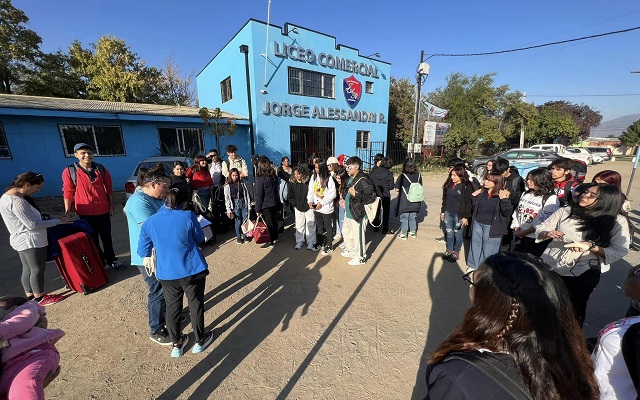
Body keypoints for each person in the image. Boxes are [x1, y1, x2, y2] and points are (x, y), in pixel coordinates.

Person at [426, 252, 600, 400]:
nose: (470, 289)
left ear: (491, 304)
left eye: (473, 283)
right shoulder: (576, 363)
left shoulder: (458, 375)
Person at [535, 183, 630, 326]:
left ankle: (569, 342)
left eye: (592, 195)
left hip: (584, 271)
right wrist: (547, 233)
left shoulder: (617, 221)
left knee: (573, 310)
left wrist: (592, 247)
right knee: (543, 303)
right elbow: (541, 228)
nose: (585, 196)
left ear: (606, 200)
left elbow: (619, 250)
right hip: (552, 264)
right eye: (586, 192)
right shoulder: (566, 211)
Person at [138, 189, 214, 358]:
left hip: (167, 273)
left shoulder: (150, 222)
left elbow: (142, 251)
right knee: (195, 305)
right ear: (184, 203)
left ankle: (176, 345)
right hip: (191, 269)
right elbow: (200, 238)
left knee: (172, 308)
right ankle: (200, 341)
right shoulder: (187, 216)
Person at [0, 172, 74, 306]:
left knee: (28, 269)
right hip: (31, 240)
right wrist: (58, 221)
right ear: (27, 184)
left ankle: (30, 295)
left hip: (20, 239)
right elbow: (33, 225)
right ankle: (40, 297)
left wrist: (41, 215)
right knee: (37, 269)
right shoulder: (17, 202)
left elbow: (27, 219)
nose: (37, 191)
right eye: (37, 188)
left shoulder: (6, 197)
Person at [125, 167, 171, 345]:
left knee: (166, 286)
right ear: (153, 184)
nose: (167, 191)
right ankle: (156, 328)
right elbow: (155, 228)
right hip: (147, 257)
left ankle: (167, 315)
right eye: (165, 187)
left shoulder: (155, 198)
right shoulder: (138, 202)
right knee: (157, 290)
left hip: (161, 252)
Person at [62, 142, 125, 269]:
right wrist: (67, 210)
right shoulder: (70, 171)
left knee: (107, 238)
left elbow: (109, 188)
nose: (87, 155)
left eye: (89, 153)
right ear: (76, 155)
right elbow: (68, 191)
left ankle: (112, 260)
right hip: (85, 212)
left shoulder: (101, 169)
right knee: (92, 239)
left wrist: (111, 206)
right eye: (83, 153)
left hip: (103, 210)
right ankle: (99, 262)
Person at [0, 297, 66, 400]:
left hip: (33, 356)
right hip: (9, 367)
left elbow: (21, 320)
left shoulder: (25, 309)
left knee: (26, 384)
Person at [466, 172, 512, 270]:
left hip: (492, 226)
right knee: (475, 245)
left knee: (488, 250)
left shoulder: (502, 195)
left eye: (489, 180)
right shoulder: (482, 193)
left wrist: (504, 200)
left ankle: (484, 269)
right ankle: (472, 265)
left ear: (496, 182)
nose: (485, 182)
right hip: (478, 223)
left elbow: (507, 213)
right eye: (486, 179)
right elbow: (474, 207)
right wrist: (474, 197)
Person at [511, 168, 559, 257]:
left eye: (532, 180)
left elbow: (544, 222)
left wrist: (525, 232)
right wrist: (516, 225)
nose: (528, 181)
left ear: (541, 180)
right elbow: (518, 211)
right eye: (528, 179)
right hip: (520, 235)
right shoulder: (526, 193)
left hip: (534, 238)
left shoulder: (551, 199)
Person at [341, 156, 376, 265]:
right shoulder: (351, 178)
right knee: (346, 232)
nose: (347, 169)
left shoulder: (364, 180)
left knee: (358, 237)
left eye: (349, 167)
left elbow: (370, 197)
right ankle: (352, 251)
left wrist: (355, 194)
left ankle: (360, 257)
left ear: (357, 167)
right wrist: (344, 200)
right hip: (350, 211)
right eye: (347, 167)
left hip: (359, 213)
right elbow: (348, 192)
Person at [440, 165, 473, 262]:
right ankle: (449, 250)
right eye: (451, 175)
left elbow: (468, 203)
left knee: (457, 234)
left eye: (454, 175)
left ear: (460, 175)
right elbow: (445, 199)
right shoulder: (449, 184)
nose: (452, 177)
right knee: (449, 233)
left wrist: (465, 216)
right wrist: (443, 211)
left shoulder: (466, 186)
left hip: (459, 215)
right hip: (448, 212)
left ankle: (456, 252)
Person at [307, 158, 337, 255]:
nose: (316, 170)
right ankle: (319, 242)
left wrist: (322, 202)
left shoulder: (329, 178)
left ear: (323, 168)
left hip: (326, 208)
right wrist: (310, 201)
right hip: (316, 207)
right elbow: (310, 191)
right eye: (315, 167)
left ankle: (329, 245)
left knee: (327, 226)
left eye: (318, 168)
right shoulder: (313, 177)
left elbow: (333, 194)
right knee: (319, 226)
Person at [288, 164, 316, 250]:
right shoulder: (292, 183)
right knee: (299, 225)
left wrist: (311, 203)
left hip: (309, 206)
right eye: (295, 174)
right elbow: (290, 196)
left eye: (299, 174)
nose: (297, 176)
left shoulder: (308, 182)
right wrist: (295, 204)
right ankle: (299, 240)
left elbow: (313, 193)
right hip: (298, 207)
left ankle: (311, 241)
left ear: (302, 173)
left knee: (310, 224)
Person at [254, 157, 280, 247]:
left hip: (265, 204)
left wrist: (257, 209)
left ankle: (271, 240)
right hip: (274, 201)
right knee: (273, 220)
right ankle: (275, 236)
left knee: (268, 223)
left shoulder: (260, 179)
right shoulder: (272, 176)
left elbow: (259, 195)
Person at [394, 158, 423, 240]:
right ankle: (413, 232)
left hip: (405, 200)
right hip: (416, 200)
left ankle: (404, 233)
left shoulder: (402, 176)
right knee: (413, 216)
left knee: (404, 217)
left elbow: (397, 189)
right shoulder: (419, 175)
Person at [224, 168, 251, 244]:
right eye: (233, 175)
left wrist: (249, 205)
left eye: (236, 175)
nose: (235, 177)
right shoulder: (228, 186)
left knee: (244, 220)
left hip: (243, 202)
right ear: (230, 176)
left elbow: (246, 195)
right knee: (238, 221)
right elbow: (227, 199)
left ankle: (245, 235)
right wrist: (228, 209)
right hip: (235, 204)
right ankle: (238, 236)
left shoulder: (242, 183)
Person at [369, 155, 394, 234]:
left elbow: (370, 182)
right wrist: (386, 188)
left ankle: (376, 227)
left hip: (375, 194)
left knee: (376, 210)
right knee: (386, 212)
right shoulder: (389, 174)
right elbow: (391, 186)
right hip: (385, 195)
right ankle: (385, 229)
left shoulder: (374, 171)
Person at [334, 168, 348, 248]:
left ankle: (347, 243)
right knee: (341, 224)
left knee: (346, 226)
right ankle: (345, 241)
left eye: (339, 178)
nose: (337, 180)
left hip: (346, 208)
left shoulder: (347, 186)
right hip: (341, 207)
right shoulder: (340, 186)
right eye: (337, 178)